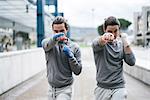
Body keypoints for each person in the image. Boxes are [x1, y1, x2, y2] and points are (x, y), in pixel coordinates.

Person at [92, 16, 136, 100]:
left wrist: (126, 42)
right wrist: (104, 37)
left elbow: (132, 62)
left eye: (116, 31)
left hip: (119, 87)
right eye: (110, 31)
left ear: (119, 30)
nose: (113, 34)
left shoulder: (121, 45)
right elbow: (97, 43)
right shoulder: (98, 43)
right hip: (102, 88)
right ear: (104, 30)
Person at [41, 16, 82, 100]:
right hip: (51, 88)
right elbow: (45, 45)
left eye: (62, 31)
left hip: (65, 89)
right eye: (56, 31)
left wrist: (71, 56)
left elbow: (78, 71)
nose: (58, 33)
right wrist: (54, 39)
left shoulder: (74, 47)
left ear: (67, 30)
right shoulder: (49, 43)